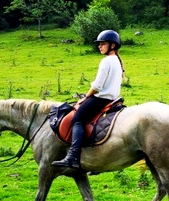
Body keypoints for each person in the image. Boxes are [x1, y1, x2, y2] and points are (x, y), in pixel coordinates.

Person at [52, 30, 125, 169]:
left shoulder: (106, 61)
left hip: (100, 99)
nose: (99, 46)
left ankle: (72, 156)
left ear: (113, 46)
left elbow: (97, 86)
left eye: (103, 44)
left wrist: (86, 96)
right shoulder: (117, 61)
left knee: (77, 119)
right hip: (112, 100)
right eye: (99, 44)